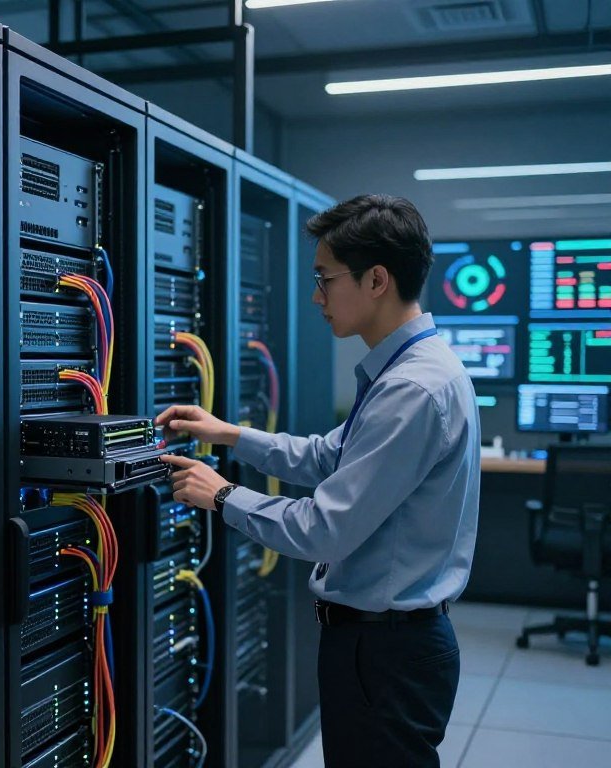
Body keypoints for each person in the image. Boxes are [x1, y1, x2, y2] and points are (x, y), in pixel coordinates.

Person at [157, 194, 480, 768]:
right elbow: (329, 457)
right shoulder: (411, 369)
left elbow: (324, 529)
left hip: (386, 650)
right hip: (386, 644)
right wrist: (230, 434)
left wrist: (222, 494)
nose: (316, 296)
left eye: (325, 279)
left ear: (376, 279)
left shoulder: (412, 389)